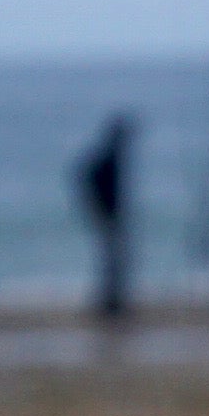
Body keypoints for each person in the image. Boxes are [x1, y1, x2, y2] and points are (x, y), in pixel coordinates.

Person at [78, 113, 139, 325]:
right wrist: (102, 209)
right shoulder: (108, 158)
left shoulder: (112, 157)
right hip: (109, 217)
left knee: (114, 260)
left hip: (111, 216)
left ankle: (114, 303)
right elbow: (88, 178)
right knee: (114, 260)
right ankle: (111, 305)